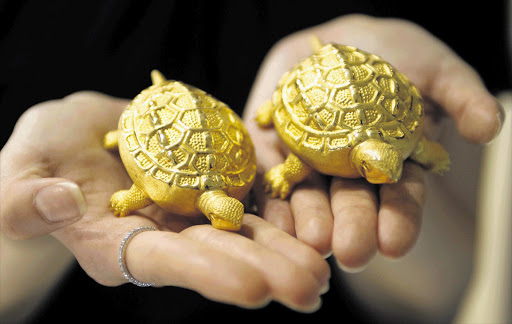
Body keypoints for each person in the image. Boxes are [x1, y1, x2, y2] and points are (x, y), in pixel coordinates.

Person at [0, 1, 507, 322]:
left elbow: (438, 298)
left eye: (384, 168)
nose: (230, 217)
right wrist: (32, 228)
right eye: (380, 167)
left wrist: (411, 176)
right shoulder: (182, 189)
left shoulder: (243, 180)